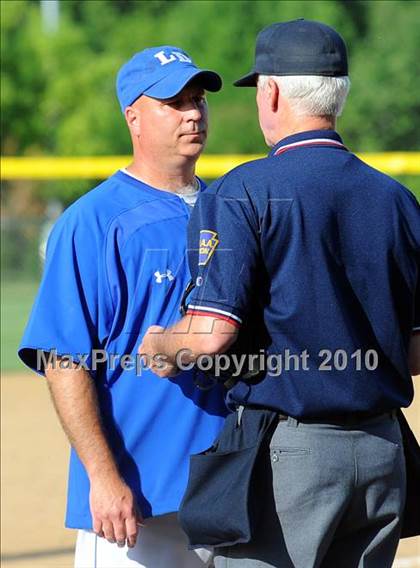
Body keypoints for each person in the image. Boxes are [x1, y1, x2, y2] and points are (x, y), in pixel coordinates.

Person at [139, 20, 420, 568]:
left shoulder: (244, 190)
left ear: (270, 92)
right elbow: (415, 353)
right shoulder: (397, 199)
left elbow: (210, 336)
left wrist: (163, 346)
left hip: (293, 461)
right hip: (383, 454)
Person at [19, 46, 228, 568]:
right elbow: (64, 359)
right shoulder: (91, 222)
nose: (193, 113)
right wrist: (103, 477)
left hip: (230, 488)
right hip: (139, 497)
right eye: (173, 102)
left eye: (198, 99)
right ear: (133, 116)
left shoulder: (229, 207)